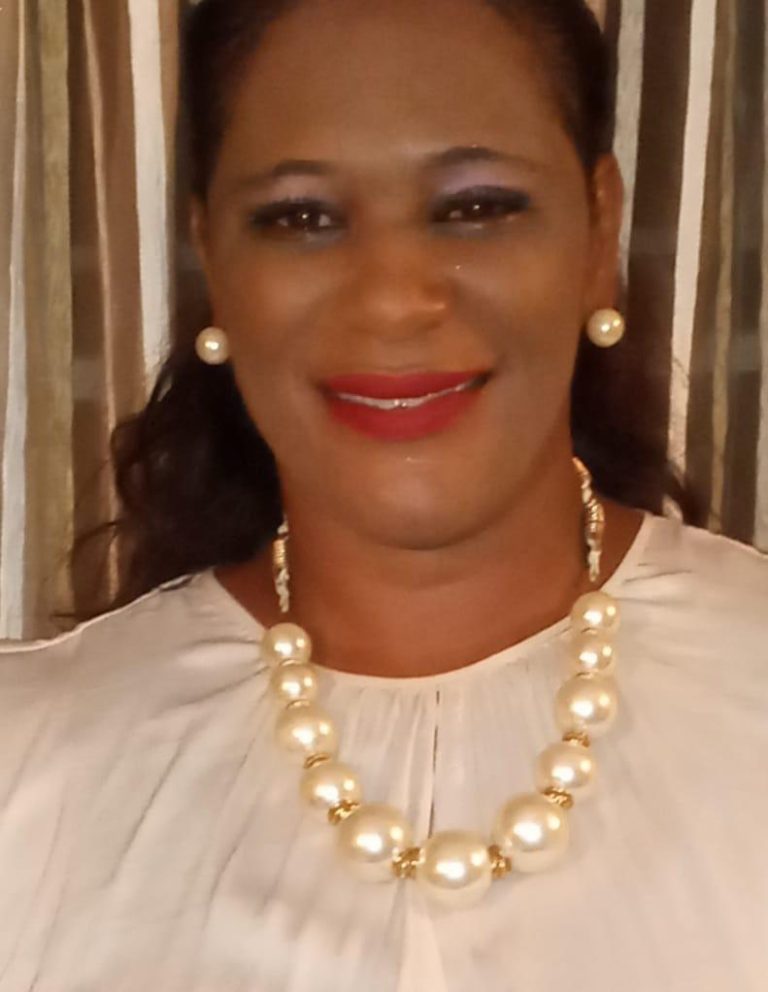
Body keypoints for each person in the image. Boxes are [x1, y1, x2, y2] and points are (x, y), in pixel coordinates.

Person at [1, 0, 766, 989]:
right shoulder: (29, 771)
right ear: (214, 264)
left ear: (597, 235)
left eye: (477, 206)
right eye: (300, 217)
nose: (394, 297)